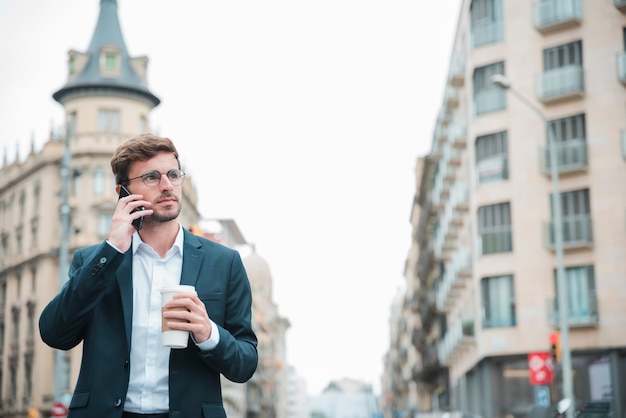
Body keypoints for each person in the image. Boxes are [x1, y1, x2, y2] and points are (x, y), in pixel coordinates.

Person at [39, 133, 258, 418]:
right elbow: (55, 333)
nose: (167, 186)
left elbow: (245, 364)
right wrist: (111, 250)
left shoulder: (224, 262)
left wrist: (209, 333)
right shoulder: (94, 261)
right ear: (123, 192)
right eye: (152, 177)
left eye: (173, 174)